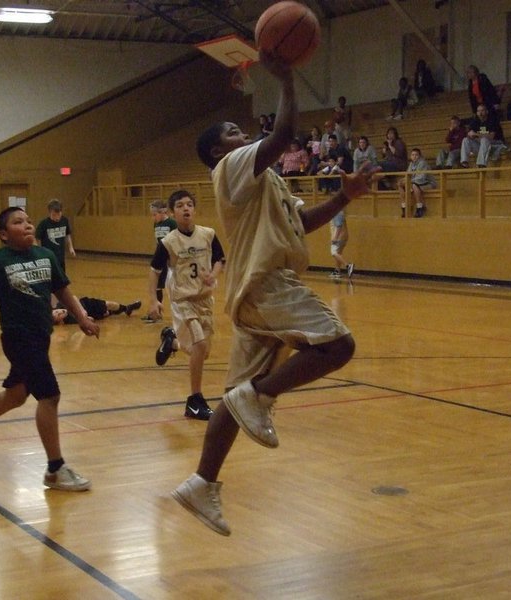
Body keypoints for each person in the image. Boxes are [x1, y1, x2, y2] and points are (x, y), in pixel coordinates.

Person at [173, 48, 379, 536]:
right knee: (339, 345)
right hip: (267, 285)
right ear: (219, 152)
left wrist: (344, 197)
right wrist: (286, 79)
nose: (242, 136)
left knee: (231, 397)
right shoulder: (230, 170)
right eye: (233, 134)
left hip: (253, 294)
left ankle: (202, 482)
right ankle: (262, 396)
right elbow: (283, 135)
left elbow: (300, 224)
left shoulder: (267, 185)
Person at [0, 207, 100, 492]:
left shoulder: (46, 257)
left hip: (41, 336)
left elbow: (62, 290)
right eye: (17, 222)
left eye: (27, 221)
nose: (26, 225)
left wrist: (82, 317)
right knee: (49, 396)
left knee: (15, 395)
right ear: (4, 234)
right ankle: (55, 469)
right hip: (18, 338)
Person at [147, 189, 225, 421]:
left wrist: (213, 274)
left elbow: (220, 259)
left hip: (204, 299)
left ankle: (172, 342)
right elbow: (154, 271)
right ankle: (194, 401)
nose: (186, 208)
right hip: (182, 301)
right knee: (199, 345)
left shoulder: (208, 234)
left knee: (199, 351)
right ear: (173, 212)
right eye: (180, 205)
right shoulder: (169, 242)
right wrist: (153, 300)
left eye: (189, 204)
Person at [143, 200, 177, 323]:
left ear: (163, 212)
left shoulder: (171, 223)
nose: (153, 217)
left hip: (170, 258)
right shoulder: (156, 224)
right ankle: (156, 312)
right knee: (157, 285)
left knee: (168, 286)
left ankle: (160, 312)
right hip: (161, 257)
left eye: (154, 214)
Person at [35, 198, 75, 275]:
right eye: (54, 215)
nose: (57, 217)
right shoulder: (44, 224)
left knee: (61, 275)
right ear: (49, 212)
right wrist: (39, 252)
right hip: (48, 256)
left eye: (59, 214)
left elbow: (67, 234)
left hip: (60, 255)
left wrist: (71, 247)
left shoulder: (64, 220)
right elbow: (37, 238)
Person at [460, 103, 506, 168]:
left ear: (486, 111)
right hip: (482, 146)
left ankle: (481, 164)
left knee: (484, 140)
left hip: (495, 145)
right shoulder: (475, 122)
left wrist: (476, 134)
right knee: (465, 140)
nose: (480, 113)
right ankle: (464, 163)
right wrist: (470, 135)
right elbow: (470, 135)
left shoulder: (493, 121)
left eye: (482, 110)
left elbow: (491, 137)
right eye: (478, 111)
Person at [399, 148, 437, 218]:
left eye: (416, 155)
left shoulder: (423, 163)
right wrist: (403, 180)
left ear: (420, 156)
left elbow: (421, 177)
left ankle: (420, 207)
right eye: (413, 155)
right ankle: (404, 207)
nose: (414, 156)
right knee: (401, 184)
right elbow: (408, 175)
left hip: (428, 183)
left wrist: (409, 181)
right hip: (416, 183)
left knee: (414, 186)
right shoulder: (411, 164)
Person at [53, 297, 141, 324]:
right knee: (108, 314)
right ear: (61, 321)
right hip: (92, 313)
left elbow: (74, 297)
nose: (60, 312)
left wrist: (82, 310)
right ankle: (120, 310)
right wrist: (85, 318)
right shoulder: (71, 320)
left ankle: (126, 308)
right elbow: (90, 319)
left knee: (110, 304)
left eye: (57, 311)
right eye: (59, 315)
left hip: (87, 303)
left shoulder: (61, 303)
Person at [329, 210, 353, 279]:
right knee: (338, 253)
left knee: (333, 252)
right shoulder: (338, 212)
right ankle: (337, 271)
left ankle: (348, 266)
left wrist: (335, 237)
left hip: (339, 237)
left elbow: (339, 226)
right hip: (343, 236)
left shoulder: (337, 212)